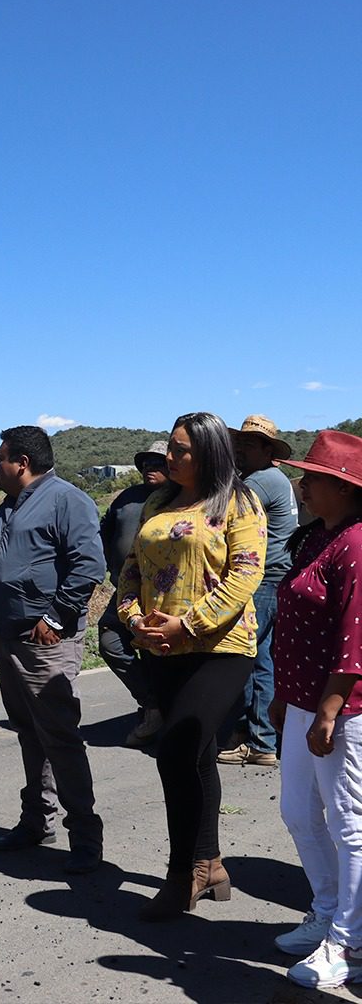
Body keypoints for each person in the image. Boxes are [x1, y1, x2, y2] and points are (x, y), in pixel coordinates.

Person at [117, 411, 266, 920]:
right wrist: (134, 618)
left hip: (220, 647)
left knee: (175, 752)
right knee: (197, 754)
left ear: (207, 453)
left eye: (182, 450)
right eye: (171, 449)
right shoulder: (158, 501)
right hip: (161, 647)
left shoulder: (238, 501)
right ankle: (211, 862)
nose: (171, 458)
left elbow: (245, 576)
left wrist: (189, 624)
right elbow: (132, 567)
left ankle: (183, 874)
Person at [0, 425, 106, 875]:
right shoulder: (12, 504)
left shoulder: (67, 500)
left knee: (59, 737)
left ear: (22, 463)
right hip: (8, 634)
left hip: (44, 640)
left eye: (1, 458)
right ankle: (37, 820)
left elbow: (89, 564)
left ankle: (85, 837)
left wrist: (54, 617)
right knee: (30, 733)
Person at [268, 430, 362, 989]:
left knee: (350, 823)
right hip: (303, 699)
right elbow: (293, 625)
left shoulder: (356, 544)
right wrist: (284, 695)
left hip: (341, 706)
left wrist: (328, 709)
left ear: (345, 489)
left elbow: (356, 637)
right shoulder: (316, 538)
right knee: (299, 812)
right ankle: (327, 912)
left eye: (313, 479)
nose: (302, 487)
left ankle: (349, 942)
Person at [218, 415, 298, 767]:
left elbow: (222, 515)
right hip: (276, 578)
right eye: (240, 443)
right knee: (261, 656)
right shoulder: (272, 479)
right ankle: (257, 733)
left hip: (263, 579)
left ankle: (260, 739)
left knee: (248, 658)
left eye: (250, 444)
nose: (241, 450)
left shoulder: (260, 482)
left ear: (269, 451)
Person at [98, 441, 170, 748]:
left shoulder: (178, 499)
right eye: (145, 463)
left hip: (162, 594)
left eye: (157, 463)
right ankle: (153, 704)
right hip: (124, 591)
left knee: (156, 652)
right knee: (110, 641)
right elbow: (104, 532)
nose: (149, 469)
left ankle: (164, 714)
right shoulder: (126, 498)